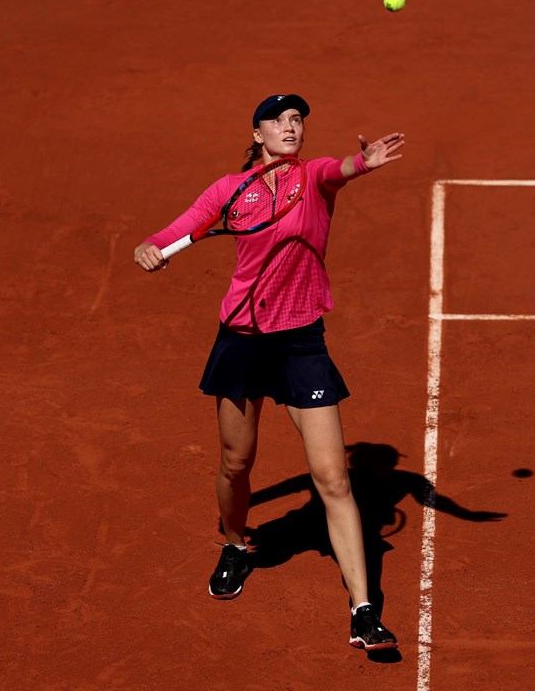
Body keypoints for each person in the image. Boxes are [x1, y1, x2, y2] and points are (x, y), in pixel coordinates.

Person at [133, 94, 405, 652]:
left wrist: (362, 164)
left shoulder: (316, 179)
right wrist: (151, 247)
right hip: (242, 339)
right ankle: (234, 544)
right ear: (257, 134)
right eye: (279, 120)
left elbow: (343, 168)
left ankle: (362, 611)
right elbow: (176, 230)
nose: (291, 126)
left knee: (333, 478)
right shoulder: (230, 191)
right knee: (236, 463)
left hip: (301, 340)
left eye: (297, 120)